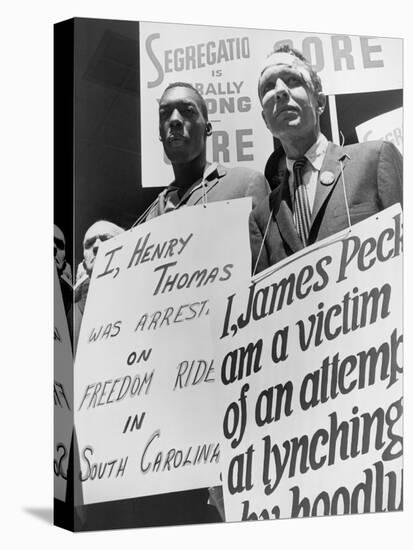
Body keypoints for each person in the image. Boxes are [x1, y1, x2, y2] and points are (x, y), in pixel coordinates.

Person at [249, 46, 403, 274]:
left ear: (319, 102)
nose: (280, 91)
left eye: (292, 80)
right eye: (269, 87)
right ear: (265, 120)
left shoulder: (375, 159)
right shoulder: (263, 216)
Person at [138, 82, 269, 223]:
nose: (174, 120)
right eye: (165, 114)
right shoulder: (153, 213)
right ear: (159, 134)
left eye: (188, 111)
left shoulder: (246, 183)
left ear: (207, 129)